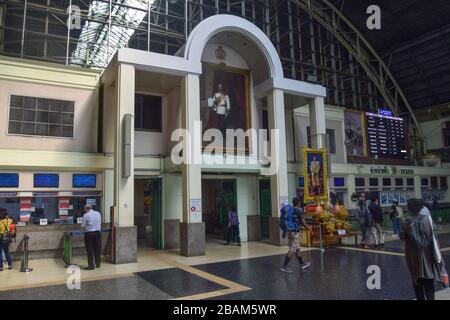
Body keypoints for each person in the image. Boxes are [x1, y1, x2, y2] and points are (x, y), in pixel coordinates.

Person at [400, 198, 442, 300]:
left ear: (409, 208)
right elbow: (434, 237)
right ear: (420, 207)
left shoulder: (405, 221)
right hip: (427, 255)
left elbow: (402, 238)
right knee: (429, 286)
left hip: (413, 257)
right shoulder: (428, 219)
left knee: (417, 286)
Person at [280, 197, 313, 273]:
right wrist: (310, 229)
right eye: (300, 202)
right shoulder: (298, 211)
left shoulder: (290, 210)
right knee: (292, 249)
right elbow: (304, 222)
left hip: (290, 232)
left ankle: (302, 264)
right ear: (298, 203)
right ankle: (284, 266)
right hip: (295, 233)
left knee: (297, 248)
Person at [81, 204, 102, 270]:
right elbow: (99, 222)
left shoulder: (86, 215)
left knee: (89, 250)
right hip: (98, 233)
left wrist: (87, 227)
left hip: (89, 234)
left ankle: (91, 266)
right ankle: (98, 264)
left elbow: (82, 225)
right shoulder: (98, 213)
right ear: (91, 208)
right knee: (97, 249)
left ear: (86, 209)